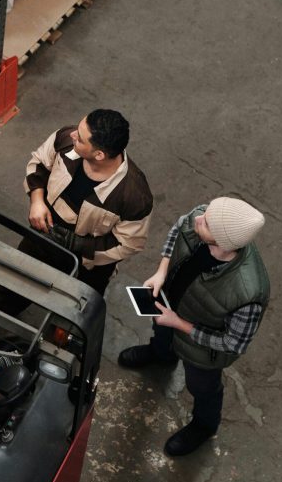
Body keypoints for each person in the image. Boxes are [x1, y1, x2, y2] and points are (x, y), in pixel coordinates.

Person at [118, 197, 269, 457]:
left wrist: (179, 323)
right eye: (206, 214)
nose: (198, 218)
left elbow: (233, 343)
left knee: (203, 387)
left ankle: (204, 426)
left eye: (207, 223)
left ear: (223, 242)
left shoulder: (249, 292)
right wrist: (162, 271)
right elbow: (178, 230)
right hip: (170, 308)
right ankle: (161, 356)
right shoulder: (201, 218)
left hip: (202, 350)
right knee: (162, 337)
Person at [22, 109, 153, 295]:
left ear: (99, 155)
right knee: (13, 286)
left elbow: (128, 243)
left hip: (87, 270)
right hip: (41, 238)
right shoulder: (65, 140)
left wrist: (78, 245)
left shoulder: (135, 196)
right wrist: (36, 201)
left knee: (72, 306)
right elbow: (40, 163)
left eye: (81, 138)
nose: (73, 134)